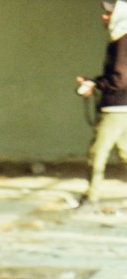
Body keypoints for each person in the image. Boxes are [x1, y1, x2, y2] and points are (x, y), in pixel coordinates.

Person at [77, 1, 127, 202]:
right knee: (125, 151)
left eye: (108, 14)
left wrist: (95, 85)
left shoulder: (122, 42)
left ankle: (91, 196)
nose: (104, 17)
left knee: (98, 151)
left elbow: (119, 79)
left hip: (116, 107)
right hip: (123, 106)